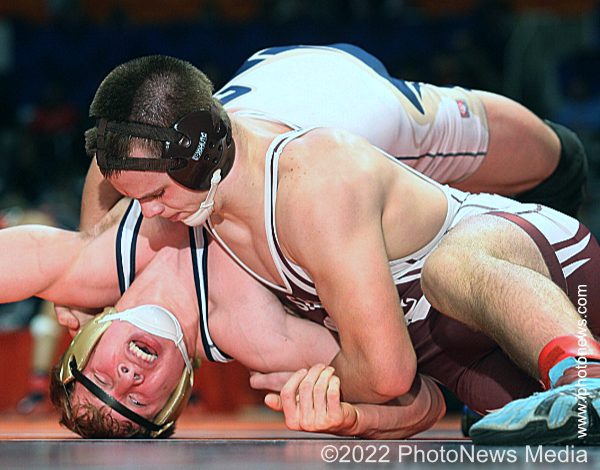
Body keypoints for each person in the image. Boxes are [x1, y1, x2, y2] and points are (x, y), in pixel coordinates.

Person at [78, 51, 600, 445]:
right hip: (464, 338)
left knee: (454, 260)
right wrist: (349, 413)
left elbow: (384, 371)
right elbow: (413, 394)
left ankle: (584, 376)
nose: (148, 214)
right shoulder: (201, 217)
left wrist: (338, 376)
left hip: (525, 251)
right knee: (488, 412)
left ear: (196, 156)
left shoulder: (312, 177)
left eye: (156, 196)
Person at [0, 198, 445, 439]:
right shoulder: (259, 335)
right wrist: (356, 419)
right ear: (178, 395)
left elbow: (116, 136)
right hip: (384, 136)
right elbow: (424, 399)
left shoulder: (89, 262)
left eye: (100, 379)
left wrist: (95, 222)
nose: (126, 377)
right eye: (137, 403)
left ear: (83, 344)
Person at [80, 44, 587, 229]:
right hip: (274, 82)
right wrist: (82, 286)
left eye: (156, 197)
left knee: (560, 160)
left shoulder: (342, 155)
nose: (149, 210)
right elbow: (114, 154)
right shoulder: (164, 154)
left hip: (375, 106)